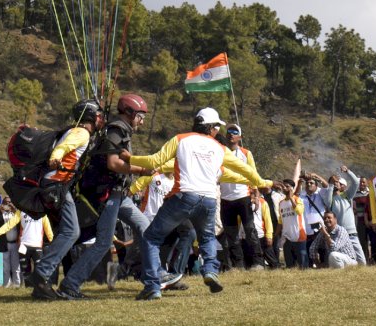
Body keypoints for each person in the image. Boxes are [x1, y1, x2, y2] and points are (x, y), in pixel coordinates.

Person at [127, 107, 274, 300]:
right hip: (209, 200)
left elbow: (155, 160)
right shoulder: (219, 148)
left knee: (151, 238)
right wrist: (264, 183)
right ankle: (210, 270)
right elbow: (244, 170)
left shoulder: (181, 139)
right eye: (216, 128)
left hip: (184, 197)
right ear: (210, 128)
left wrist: (127, 158)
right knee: (207, 239)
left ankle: (153, 286)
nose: (218, 132)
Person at [58, 93, 153, 300]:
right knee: (103, 242)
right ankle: (70, 285)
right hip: (109, 193)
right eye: (140, 116)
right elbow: (113, 163)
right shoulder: (116, 130)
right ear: (129, 113)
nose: (142, 120)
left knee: (145, 227)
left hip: (119, 193)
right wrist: (142, 170)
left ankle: (155, 276)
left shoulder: (121, 130)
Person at [29, 99, 104, 301]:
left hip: (57, 186)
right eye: (99, 116)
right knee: (71, 231)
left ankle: (41, 285)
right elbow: (63, 148)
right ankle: (42, 273)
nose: (101, 120)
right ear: (90, 116)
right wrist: (56, 156)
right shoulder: (81, 133)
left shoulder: (76, 131)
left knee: (69, 231)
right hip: (56, 185)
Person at [219, 123, 265, 270]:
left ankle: (258, 262)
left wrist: (256, 194)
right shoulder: (220, 152)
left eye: (234, 132)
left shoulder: (246, 153)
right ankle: (238, 265)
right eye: (229, 131)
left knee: (250, 230)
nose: (231, 134)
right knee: (231, 235)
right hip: (226, 198)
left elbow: (253, 174)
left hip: (243, 196)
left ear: (240, 137)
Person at [323, 166, 365, 265]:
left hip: (352, 234)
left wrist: (348, 171)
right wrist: (331, 185)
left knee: (362, 261)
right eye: (334, 182)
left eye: (337, 182)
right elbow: (327, 201)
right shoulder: (330, 199)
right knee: (340, 259)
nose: (336, 183)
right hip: (339, 235)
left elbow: (356, 183)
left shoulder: (347, 195)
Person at [298, 172, 329, 264]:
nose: (308, 184)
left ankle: (324, 265)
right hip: (307, 229)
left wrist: (316, 175)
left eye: (311, 183)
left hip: (320, 228)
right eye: (307, 183)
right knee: (309, 250)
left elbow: (327, 186)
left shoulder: (320, 193)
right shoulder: (301, 196)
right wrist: (299, 182)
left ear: (316, 186)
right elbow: (294, 195)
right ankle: (311, 266)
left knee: (322, 250)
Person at [278, 179, 308, 268]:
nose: (285, 188)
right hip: (287, 238)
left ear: (292, 188)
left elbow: (299, 211)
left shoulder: (298, 199)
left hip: (298, 237)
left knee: (302, 266)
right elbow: (281, 220)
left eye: (287, 186)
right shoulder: (281, 203)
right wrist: (276, 234)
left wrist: (291, 198)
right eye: (284, 186)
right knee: (290, 265)